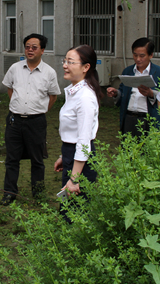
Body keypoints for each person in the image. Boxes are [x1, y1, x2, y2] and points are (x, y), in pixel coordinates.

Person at [0, 33, 61, 205]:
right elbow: (10, 90)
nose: (30, 50)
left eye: (34, 47)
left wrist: (38, 111)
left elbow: (53, 97)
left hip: (36, 122)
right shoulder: (15, 68)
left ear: (42, 50)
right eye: (27, 46)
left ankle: (38, 193)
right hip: (14, 121)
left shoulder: (49, 72)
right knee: (12, 159)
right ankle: (9, 192)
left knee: (37, 160)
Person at [54, 44, 102, 205]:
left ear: (86, 67)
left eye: (70, 62)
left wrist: (74, 180)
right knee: (68, 210)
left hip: (81, 159)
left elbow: (83, 141)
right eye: (65, 61)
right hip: (71, 154)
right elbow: (73, 131)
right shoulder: (74, 91)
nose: (64, 66)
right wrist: (64, 156)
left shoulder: (85, 97)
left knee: (75, 212)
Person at [106, 38, 160, 137]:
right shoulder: (128, 71)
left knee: (148, 150)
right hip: (129, 117)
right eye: (135, 55)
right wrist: (116, 93)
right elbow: (123, 91)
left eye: (142, 56)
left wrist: (151, 94)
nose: (138, 59)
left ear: (151, 55)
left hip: (149, 119)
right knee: (128, 149)